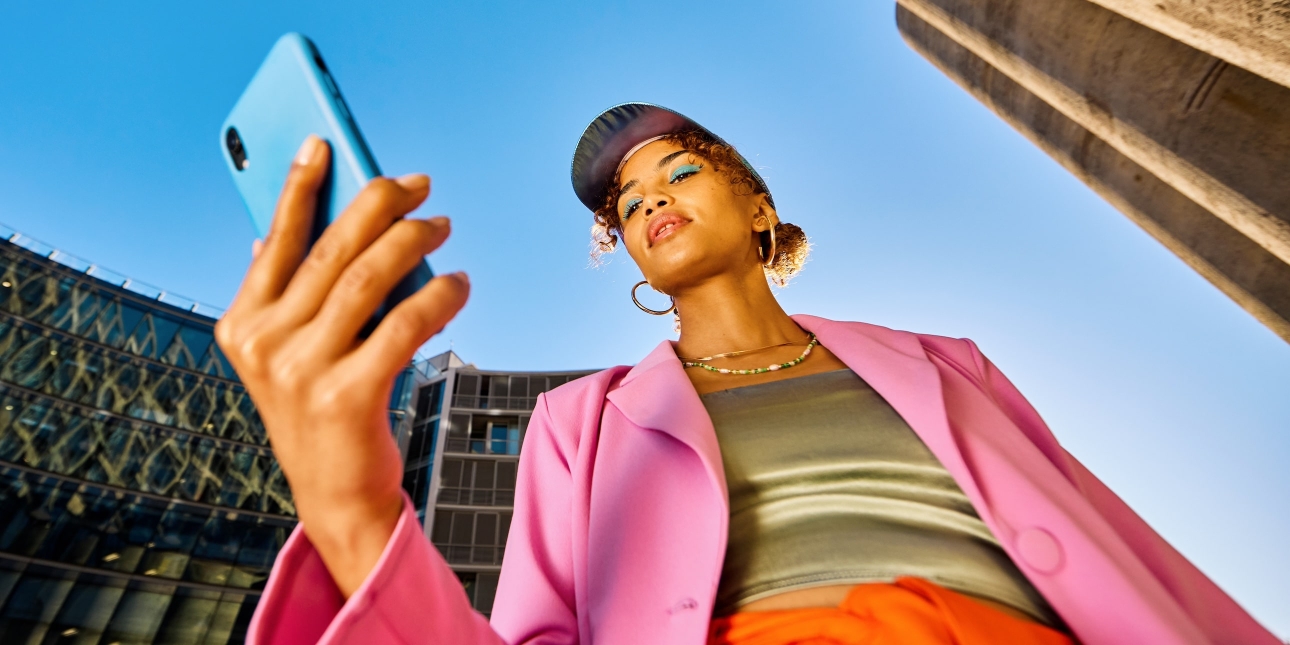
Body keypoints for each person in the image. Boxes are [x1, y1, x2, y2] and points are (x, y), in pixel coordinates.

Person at [218, 103, 1279, 644]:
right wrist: (354, 515)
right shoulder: (579, 424)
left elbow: (1125, 553)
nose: (652, 200)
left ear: (758, 207)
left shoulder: (948, 364)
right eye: (628, 204)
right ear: (628, 252)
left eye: (680, 170)